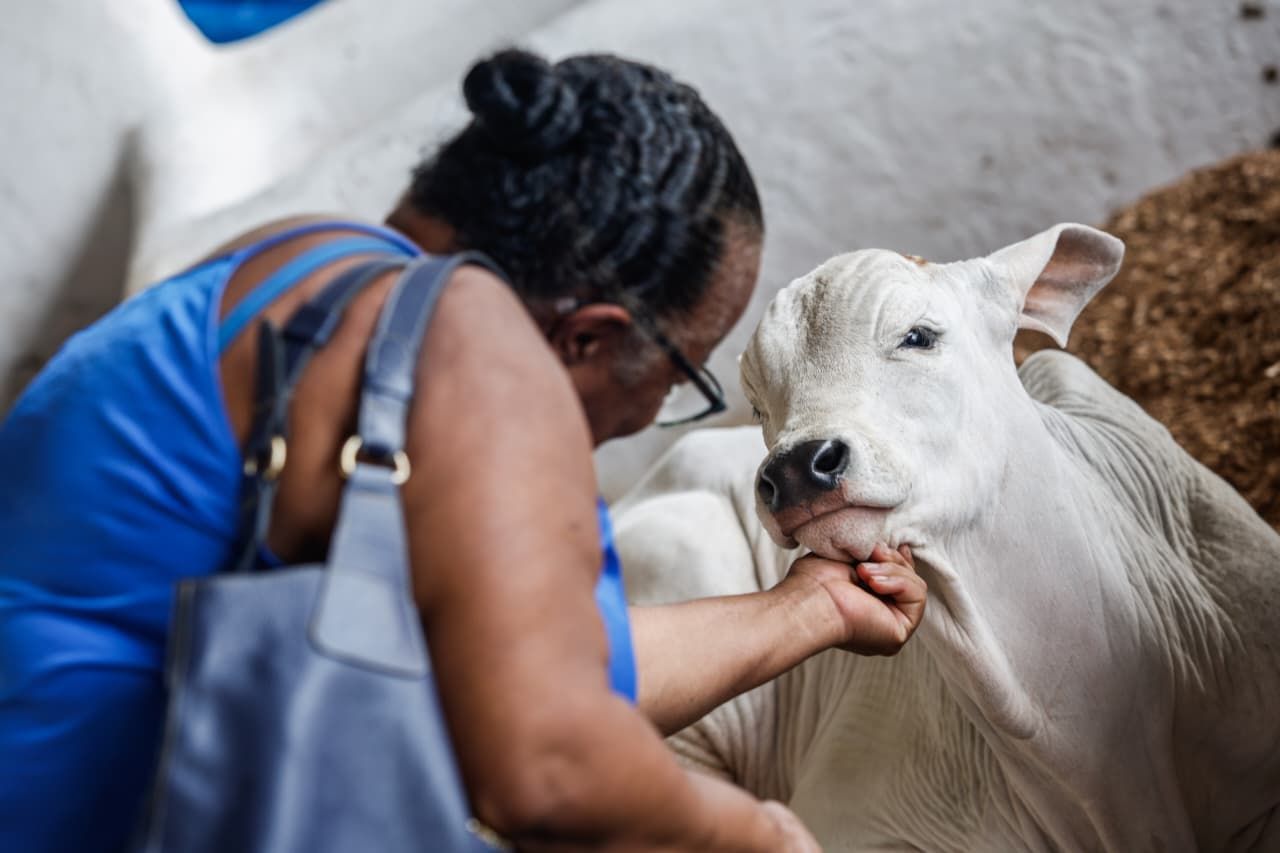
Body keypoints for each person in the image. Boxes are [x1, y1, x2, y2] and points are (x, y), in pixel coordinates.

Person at [0, 49, 926, 851]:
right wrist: (757, 833)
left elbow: (545, 663)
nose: (656, 410)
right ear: (589, 338)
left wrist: (811, 608)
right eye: (681, 373)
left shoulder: (295, 266)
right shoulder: (473, 339)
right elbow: (550, 765)